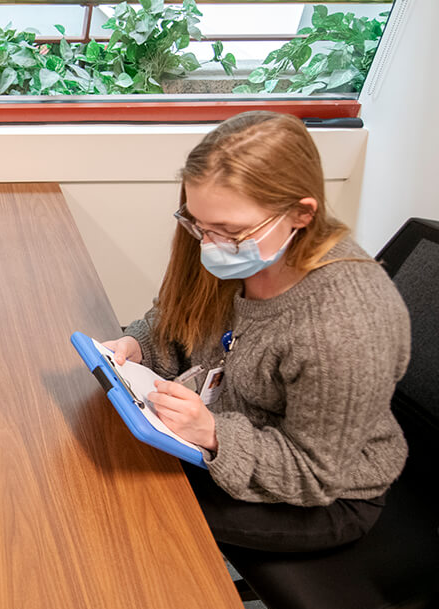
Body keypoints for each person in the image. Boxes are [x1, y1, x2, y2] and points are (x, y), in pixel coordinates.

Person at [104, 111, 410, 554]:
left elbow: (316, 473)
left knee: (133, 509)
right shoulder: (236, 248)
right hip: (228, 428)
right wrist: (139, 344)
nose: (208, 245)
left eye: (228, 232)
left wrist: (212, 433)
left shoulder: (344, 327)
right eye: (198, 225)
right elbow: (178, 317)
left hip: (324, 494)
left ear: (301, 213)